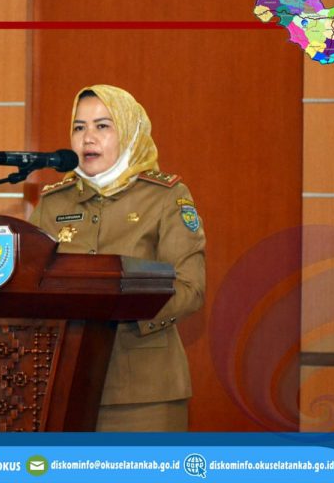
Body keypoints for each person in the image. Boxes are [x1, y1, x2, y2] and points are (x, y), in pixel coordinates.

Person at [29, 84, 206, 431]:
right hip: (64, 386)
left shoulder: (165, 197)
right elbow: (30, 280)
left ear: (129, 132)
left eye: (102, 126)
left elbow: (190, 288)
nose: (88, 138)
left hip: (145, 391)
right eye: (79, 127)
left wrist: (120, 310)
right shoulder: (53, 202)